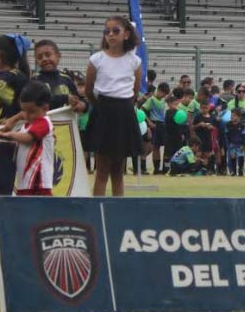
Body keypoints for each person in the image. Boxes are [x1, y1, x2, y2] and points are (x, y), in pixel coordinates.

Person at [85, 15, 143, 196]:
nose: (110, 35)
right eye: (106, 31)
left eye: (115, 31)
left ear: (126, 34)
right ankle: (97, 208)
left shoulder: (134, 61)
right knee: (101, 170)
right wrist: (100, 106)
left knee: (118, 171)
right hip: (103, 112)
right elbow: (88, 89)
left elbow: (134, 91)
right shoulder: (96, 59)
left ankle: (119, 209)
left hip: (124, 113)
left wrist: (124, 105)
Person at [0, 82, 55, 196]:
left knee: (39, 213)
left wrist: (10, 135)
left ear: (45, 108)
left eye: (31, 111)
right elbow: (24, 114)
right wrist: (13, 119)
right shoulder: (28, 123)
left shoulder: (44, 122)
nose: (27, 115)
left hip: (39, 183)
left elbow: (28, 138)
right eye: (24, 110)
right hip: (25, 183)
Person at [32, 40, 79, 110]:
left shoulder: (67, 79)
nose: (44, 59)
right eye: (40, 57)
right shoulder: (34, 80)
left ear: (58, 56)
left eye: (48, 55)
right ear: (36, 61)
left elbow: (77, 99)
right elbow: (38, 103)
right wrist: (65, 98)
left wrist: (83, 105)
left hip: (67, 120)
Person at [142, 82, 170, 174]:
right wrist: (149, 122)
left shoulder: (162, 100)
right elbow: (142, 110)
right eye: (162, 93)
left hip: (162, 124)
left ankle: (160, 168)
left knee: (160, 146)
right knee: (154, 147)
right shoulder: (152, 100)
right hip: (155, 123)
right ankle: (150, 167)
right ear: (159, 91)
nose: (163, 96)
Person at [224, 108, 245, 176]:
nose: (232, 117)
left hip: (240, 144)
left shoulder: (242, 126)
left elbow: (244, 136)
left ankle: (240, 170)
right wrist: (229, 144)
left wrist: (243, 145)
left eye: (234, 115)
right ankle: (233, 171)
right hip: (232, 144)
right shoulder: (228, 125)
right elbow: (226, 135)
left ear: (239, 117)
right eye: (231, 115)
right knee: (232, 157)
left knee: (241, 157)